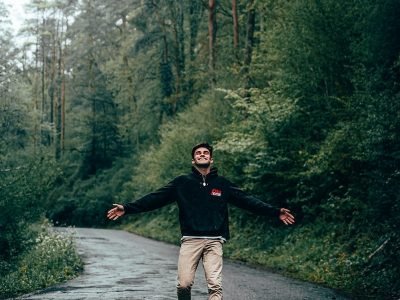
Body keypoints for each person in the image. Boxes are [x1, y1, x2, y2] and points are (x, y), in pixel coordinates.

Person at [107, 142, 295, 300]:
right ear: (193, 159)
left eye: (206, 153)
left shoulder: (222, 184)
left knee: (215, 286)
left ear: (211, 159)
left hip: (215, 241)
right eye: (198, 153)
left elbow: (248, 201)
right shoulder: (182, 182)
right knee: (184, 285)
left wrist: (275, 212)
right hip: (190, 240)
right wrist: (127, 208)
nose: (202, 155)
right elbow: (155, 198)